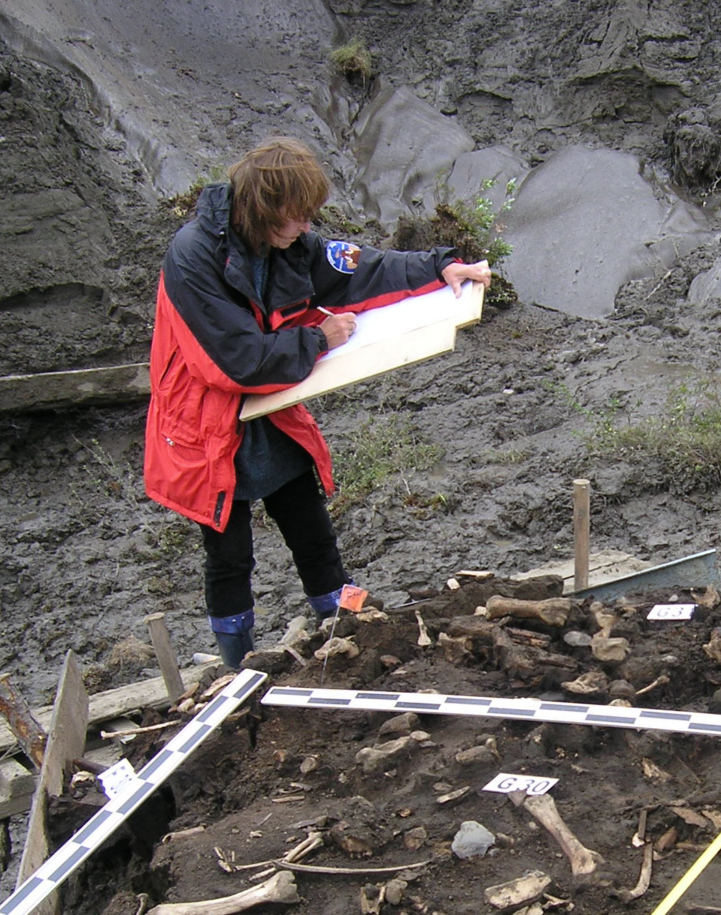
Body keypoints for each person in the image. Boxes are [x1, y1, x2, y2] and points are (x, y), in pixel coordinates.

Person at [143, 136, 491, 667]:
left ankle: (347, 631)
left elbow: (359, 269)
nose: (307, 227)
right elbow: (236, 360)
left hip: (273, 412)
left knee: (313, 530)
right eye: (297, 217)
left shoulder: (288, 244)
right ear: (263, 210)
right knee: (229, 557)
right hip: (208, 427)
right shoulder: (192, 256)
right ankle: (239, 666)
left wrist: (439, 267)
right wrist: (318, 339)